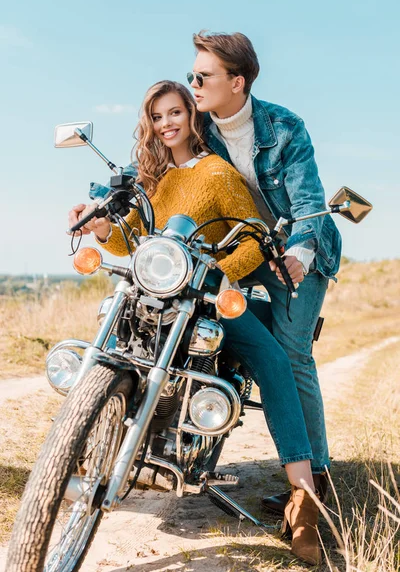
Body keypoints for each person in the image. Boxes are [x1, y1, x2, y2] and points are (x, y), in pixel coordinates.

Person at [69, 80, 322, 565]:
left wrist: (223, 271)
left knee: (273, 358)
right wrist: (104, 229)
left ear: (191, 115)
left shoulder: (217, 172)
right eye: (158, 116)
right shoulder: (148, 179)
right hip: (154, 295)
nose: (167, 124)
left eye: (175, 113)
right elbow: (133, 243)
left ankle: (303, 498)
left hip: (207, 294)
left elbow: (253, 235)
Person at [187, 31, 341, 513]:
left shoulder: (284, 126)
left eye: (202, 76)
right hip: (237, 251)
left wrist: (299, 252)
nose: (192, 83)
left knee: (293, 355)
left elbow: (310, 202)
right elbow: (151, 161)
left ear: (237, 81)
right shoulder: (196, 125)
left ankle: (316, 482)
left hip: (296, 253)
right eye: (192, 74)